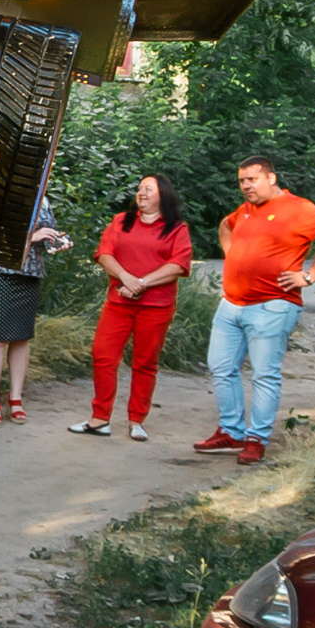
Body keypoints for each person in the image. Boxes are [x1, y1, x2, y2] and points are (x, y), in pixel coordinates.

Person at [199, 156, 315, 465]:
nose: (246, 186)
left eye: (252, 179)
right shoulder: (246, 210)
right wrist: (233, 256)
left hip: (272, 305)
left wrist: (310, 276)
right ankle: (232, 431)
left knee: (264, 374)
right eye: (242, 181)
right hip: (231, 304)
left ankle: (256, 439)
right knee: (220, 367)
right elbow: (225, 225)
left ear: (271, 178)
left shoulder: (299, 208)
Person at [70, 173, 194, 442]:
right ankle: (100, 418)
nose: (141, 193)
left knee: (145, 362)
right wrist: (126, 279)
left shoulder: (176, 228)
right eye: (139, 188)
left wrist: (140, 284)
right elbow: (104, 254)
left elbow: (178, 266)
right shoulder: (121, 221)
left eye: (148, 189)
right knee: (103, 355)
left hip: (156, 306)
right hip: (119, 302)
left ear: (163, 195)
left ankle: (136, 420)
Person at [0, 197, 69, 426]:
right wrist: (31, 237)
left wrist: (56, 241)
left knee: (22, 337)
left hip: (30, 273)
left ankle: (15, 397)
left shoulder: (43, 199)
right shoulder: (0, 192)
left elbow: (48, 232)